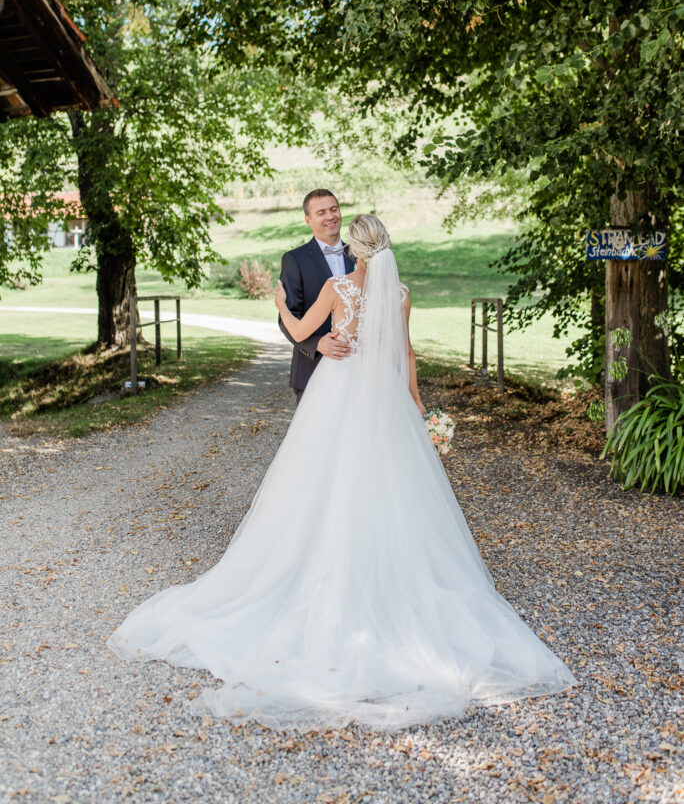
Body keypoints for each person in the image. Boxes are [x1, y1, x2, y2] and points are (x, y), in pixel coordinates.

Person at [107, 214, 575, 732]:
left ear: (355, 249)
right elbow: (406, 353)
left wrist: (282, 303)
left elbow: (304, 331)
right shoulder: (400, 294)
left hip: (338, 392)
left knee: (319, 482)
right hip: (385, 397)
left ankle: (325, 563)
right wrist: (417, 406)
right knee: (390, 486)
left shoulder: (338, 288)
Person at [278, 188, 355, 404]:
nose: (330, 216)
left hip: (358, 370)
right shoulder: (294, 260)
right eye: (321, 213)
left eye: (334, 209)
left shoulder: (360, 255)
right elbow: (286, 317)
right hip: (312, 368)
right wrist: (316, 344)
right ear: (308, 220)